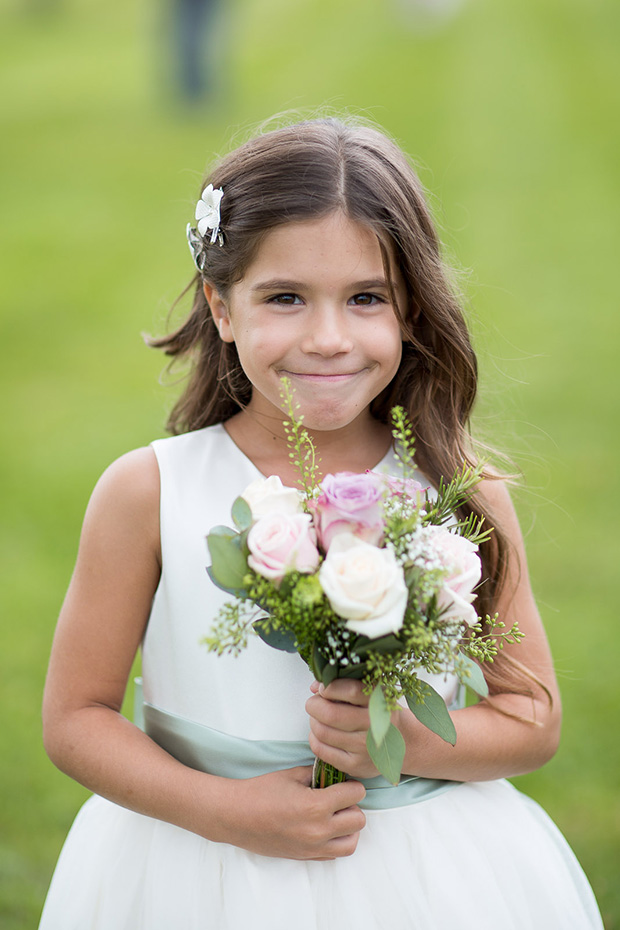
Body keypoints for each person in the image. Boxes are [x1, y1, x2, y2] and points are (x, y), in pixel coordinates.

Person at [39, 117, 603, 929]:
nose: (329, 338)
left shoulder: (457, 493)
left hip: (420, 875)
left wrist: (401, 739)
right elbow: (75, 719)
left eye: (366, 298)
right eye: (287, 298)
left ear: (410, 312)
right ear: (221, 306)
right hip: (199, 869)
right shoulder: (149, 492)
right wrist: (226, 812)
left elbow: (532, 718)